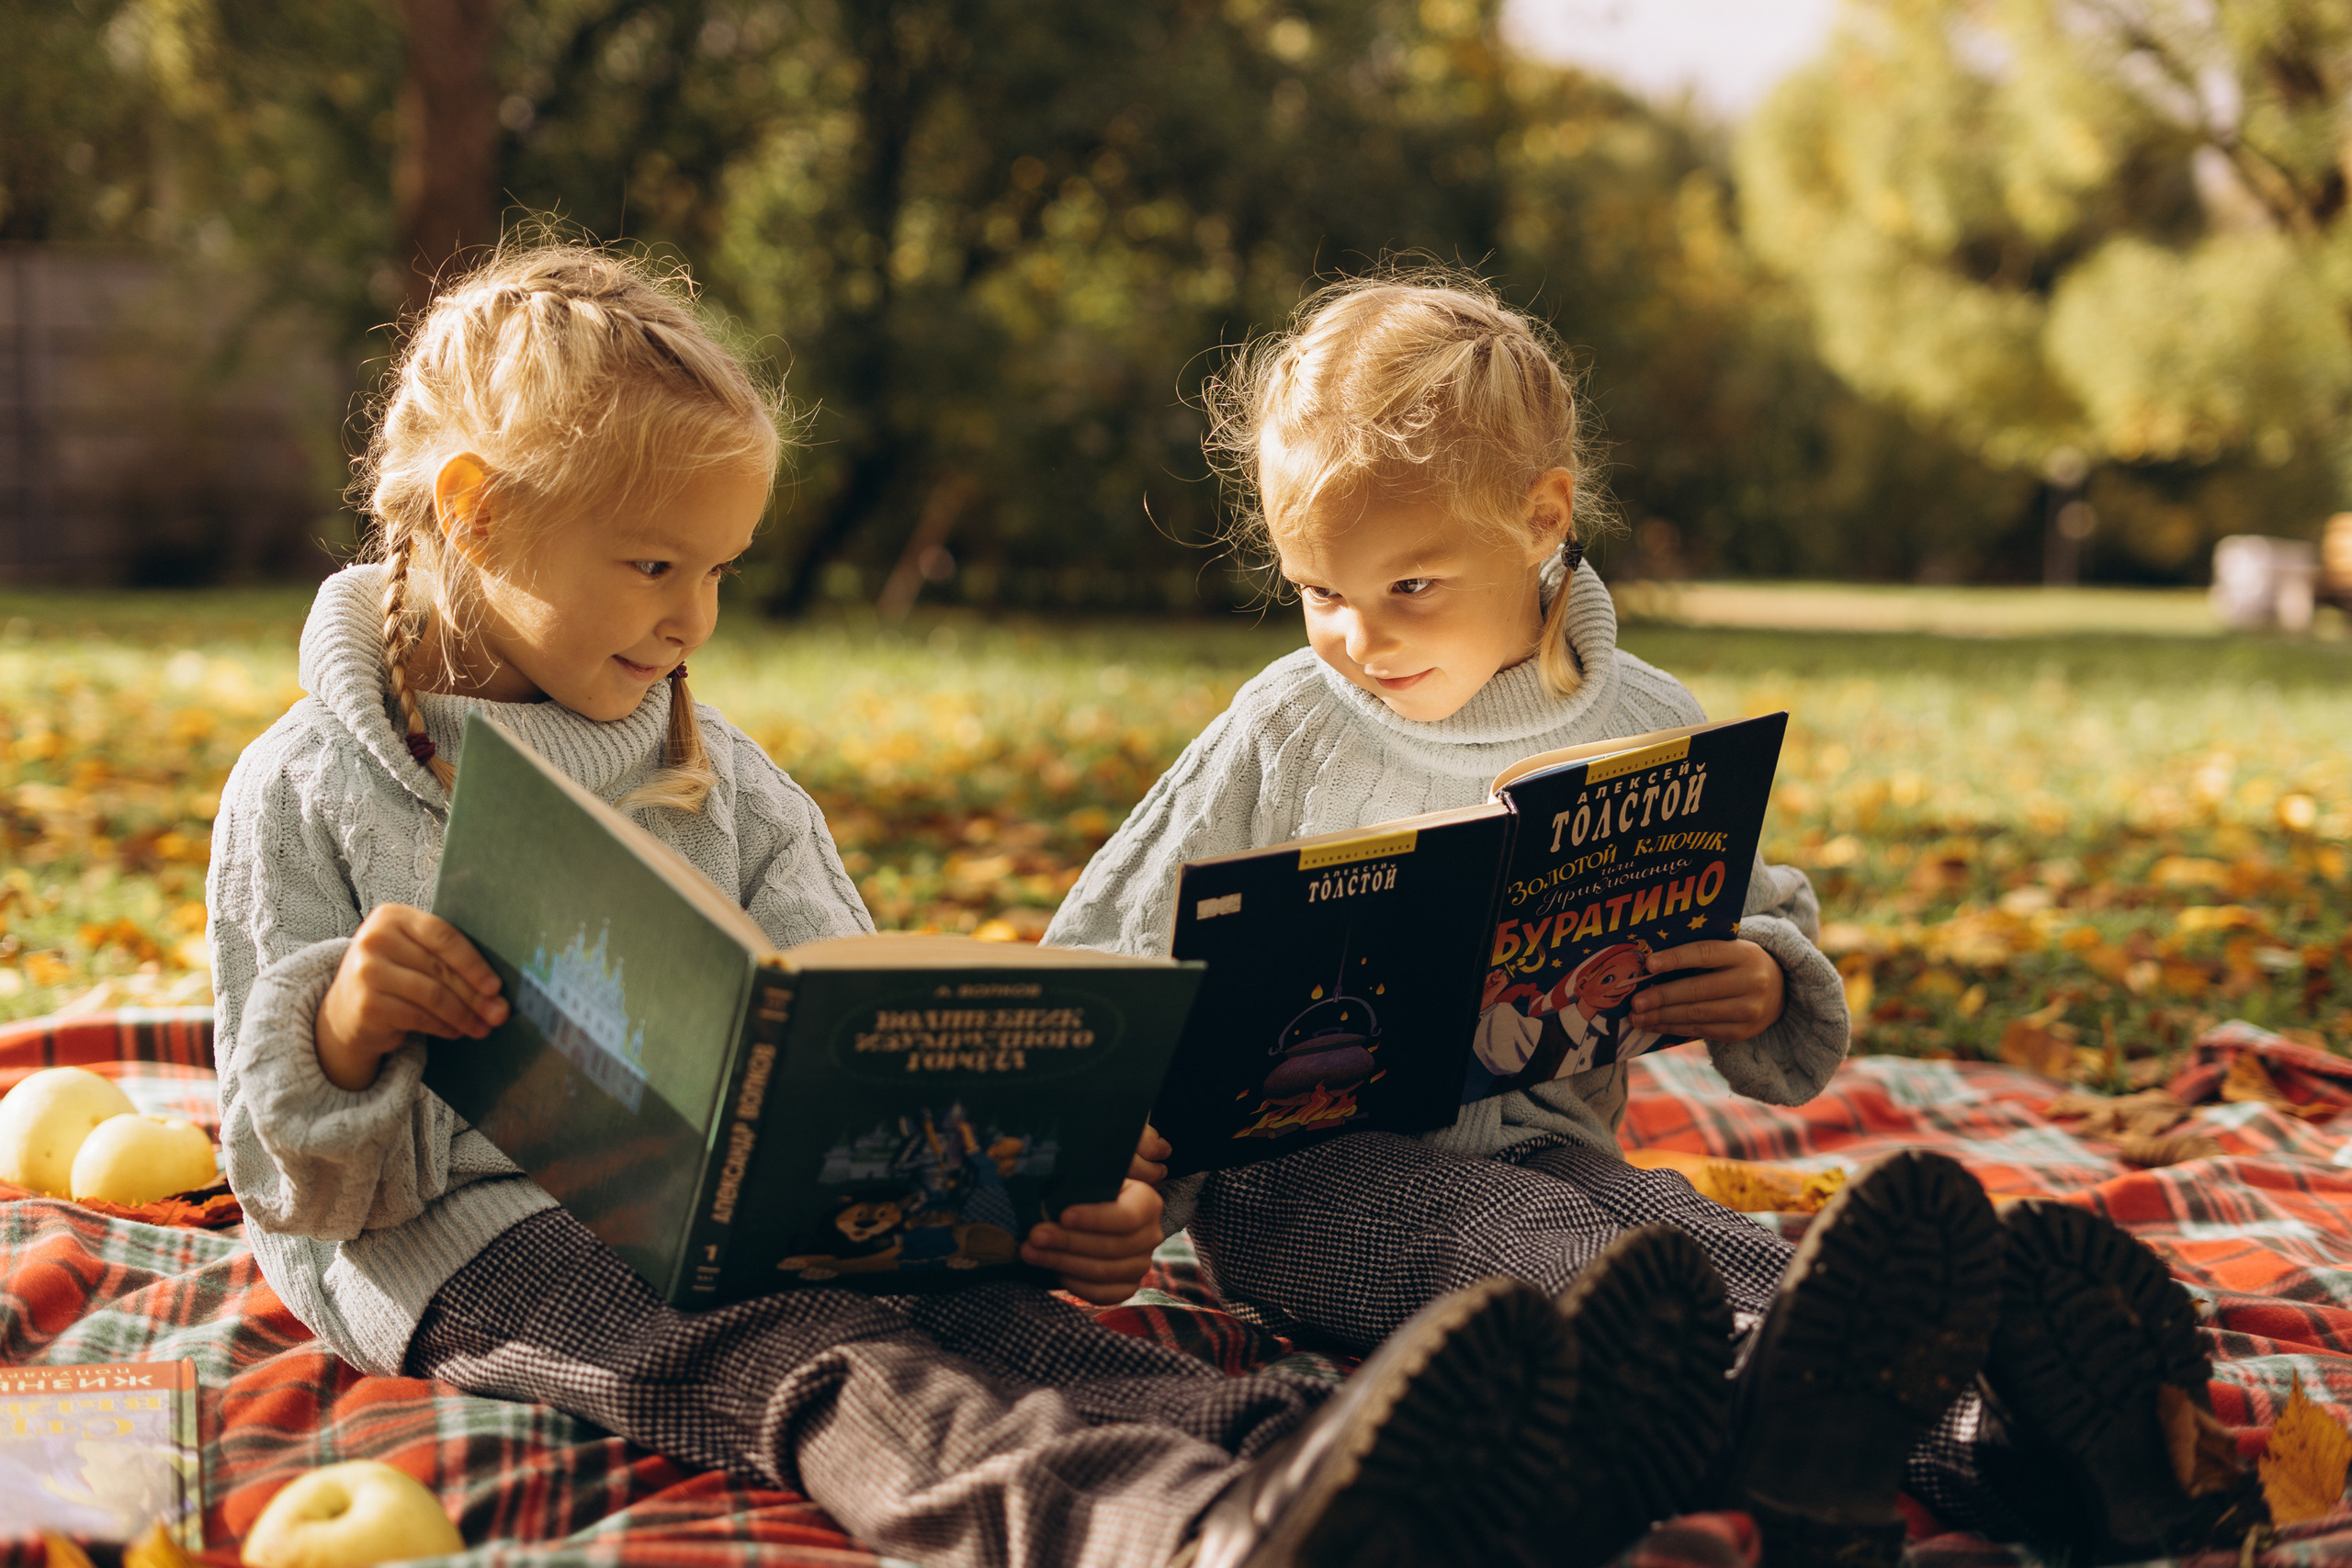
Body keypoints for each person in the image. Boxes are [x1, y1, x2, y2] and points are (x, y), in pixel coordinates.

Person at [205, 243, 1675, 1568]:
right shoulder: (311, 792)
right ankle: (1184, 1536)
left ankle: (1331, 1479)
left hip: (752, 1218)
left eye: (719, 571)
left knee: (1000, 1327)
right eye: (654, 566)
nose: (692, 620)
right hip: (482, 1247)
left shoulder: (732, 788)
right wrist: (337, 1032)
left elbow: (864, 1040)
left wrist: (1026, 1202)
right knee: (822, 1368)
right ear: (474, 514)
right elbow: (304, 1194)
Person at [1044, 271, 2229, 1564]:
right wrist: (1115, 1166)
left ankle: (2029, 1447)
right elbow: (1108, 951)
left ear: (1540, 517)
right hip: (1300, 1185)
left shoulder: (1646, 723)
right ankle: (1863, 1426)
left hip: (1552, 1149)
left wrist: (1764, 983)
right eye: (1318, 591)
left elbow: (1766, 921)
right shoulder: (1287, 725)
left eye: (1412, 588)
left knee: (1696, 1242)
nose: (1356, 636)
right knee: (1539, 1256)